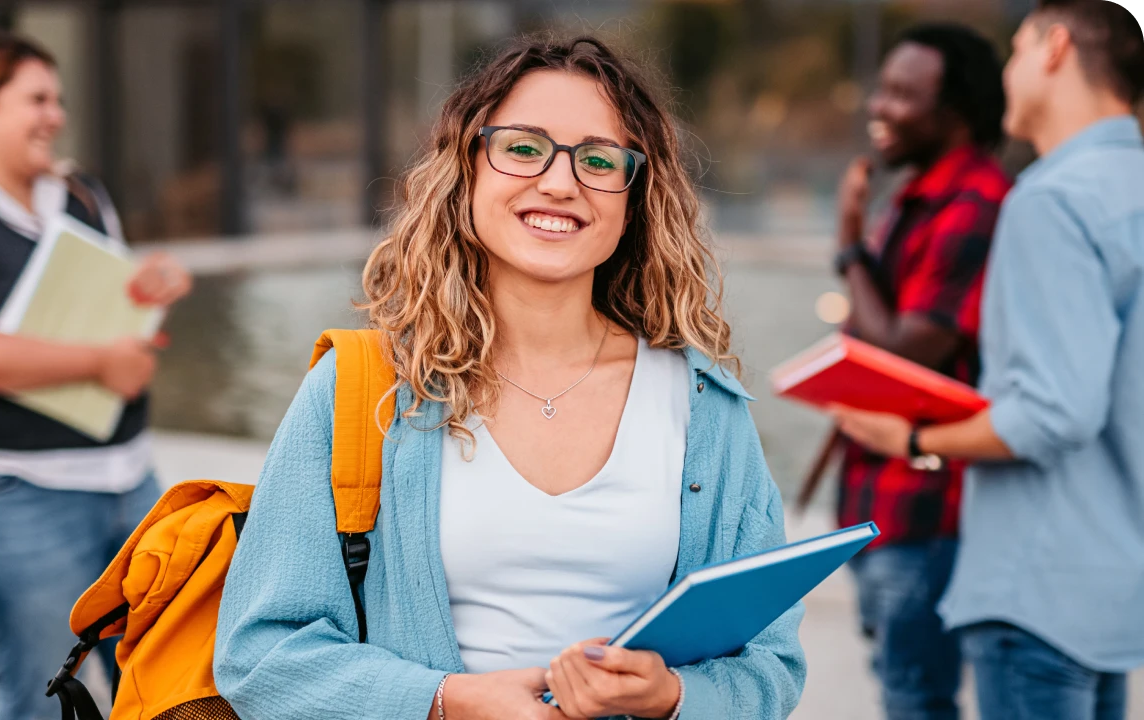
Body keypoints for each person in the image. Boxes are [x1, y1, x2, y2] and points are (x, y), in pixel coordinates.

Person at [215, 36, 805, 720]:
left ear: (635, 195)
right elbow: (260, 656)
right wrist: (443, 701)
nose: (560, 183)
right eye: (523, 148)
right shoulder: (360, 389)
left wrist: (675, 696)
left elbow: (771, 665)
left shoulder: (704, 408)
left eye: (598, 159)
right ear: (467, 170)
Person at [834, 2, 1144, 719]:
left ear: (1055, 47)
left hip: (1035, 588)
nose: (1006, 73)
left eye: (1015, 51)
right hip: (1111, 588)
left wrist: (911, 440)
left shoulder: (1051, 200)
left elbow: (1051, 413)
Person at [0, 30, 191, 720]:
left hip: (127, 481)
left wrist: (149, 289)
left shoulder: (82, 195)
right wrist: (100, 362)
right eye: (37, 99)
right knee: (39, 700)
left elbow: (112, 313)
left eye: (59, 100)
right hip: (8, 491)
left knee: (169, 691)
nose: (56, 115)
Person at [831, 23, 1011, 720]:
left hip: (926, 506)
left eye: (904, 94)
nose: (880, 105)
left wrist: (849, 250)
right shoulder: (917, 201)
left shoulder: (973, 206)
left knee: (915, 698)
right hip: (886, 498)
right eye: (883, 87)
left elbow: (905, 354)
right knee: (904, 689)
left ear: (955, 111)